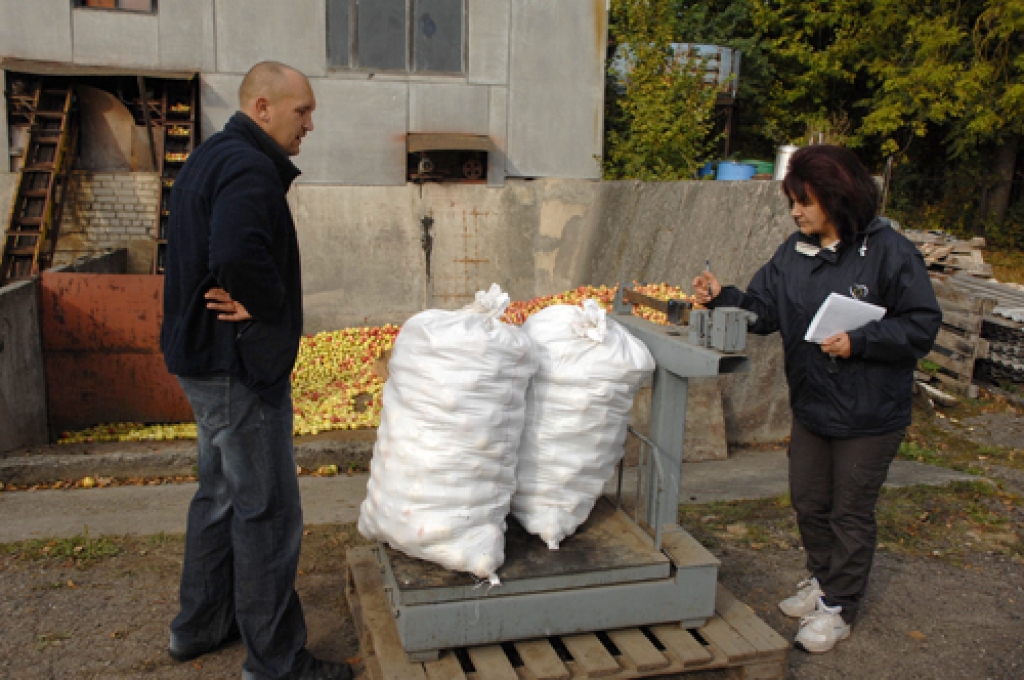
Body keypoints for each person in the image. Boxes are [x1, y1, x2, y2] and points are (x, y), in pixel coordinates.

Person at [693, 145, 941, 654]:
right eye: (791, 202)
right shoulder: (793, 252)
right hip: (813, 406)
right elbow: (764, 310)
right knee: (810, 503)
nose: (795, 212)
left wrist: (861, 341)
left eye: (803, 202)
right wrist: (725, 296)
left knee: (849, 511)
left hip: (870, 415)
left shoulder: (891, 252)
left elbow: (921, 325)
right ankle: (823, 579)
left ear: (835, 196)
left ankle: (839, 607)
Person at [160, 61, 351, 680]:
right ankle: (276, 663)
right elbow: (237, 249)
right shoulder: (248, 166)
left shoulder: (211, 156)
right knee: (266, 509)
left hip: (204, 363)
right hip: (238, 368)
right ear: (263, 108)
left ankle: (200, 625)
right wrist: (264, 305)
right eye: (303, 112)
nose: (310, 125)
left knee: (218, 495)